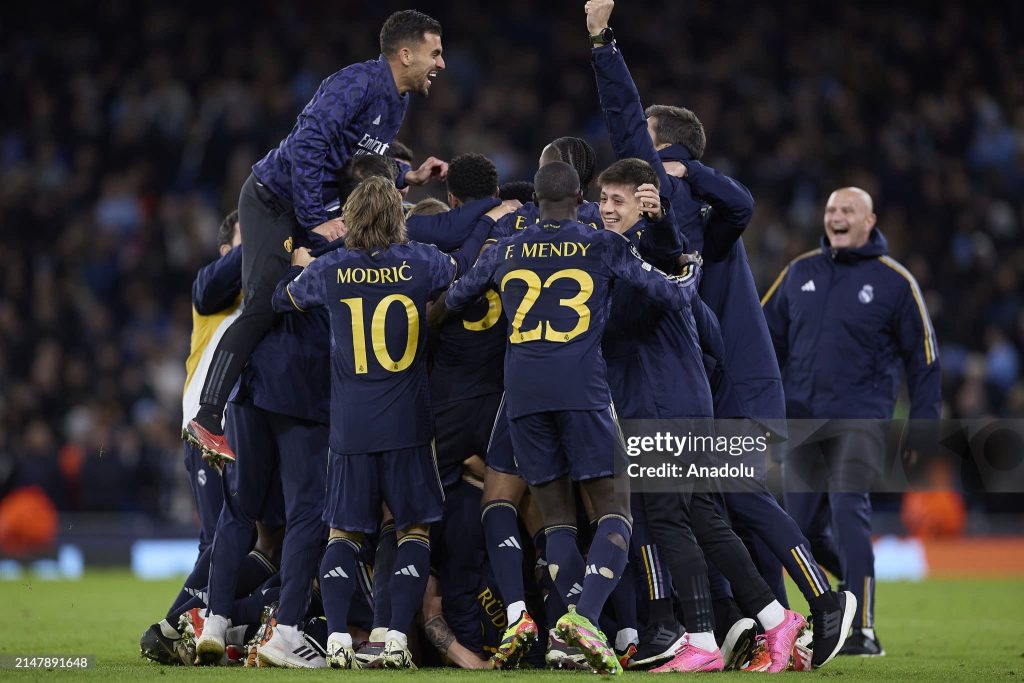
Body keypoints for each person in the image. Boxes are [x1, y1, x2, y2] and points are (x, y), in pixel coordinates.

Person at [585, 0, 856, 670]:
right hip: (710, 374)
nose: (633, 156)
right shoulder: (685, 218)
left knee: (726, 498)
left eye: (647, 148)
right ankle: (739, 624)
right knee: (705, 506)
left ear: (663, 150)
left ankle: (818, 600)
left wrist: (602, 43)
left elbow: (635, 130)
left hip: (726, 379)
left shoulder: (675, 203)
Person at [446, 161, 701, 676]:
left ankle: (574, 615)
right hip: (582, 389)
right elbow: (672, 294)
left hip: (523, 395)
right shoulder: (600, 244)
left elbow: (456, 296)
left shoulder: (504, 249)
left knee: (556, 516)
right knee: (615, 511)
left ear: (535, 200)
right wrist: (691, 269)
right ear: (580, 197)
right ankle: (585, 617)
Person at [185, 10, 450, 465]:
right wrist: (317, 218)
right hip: (273, 201)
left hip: (308, 206)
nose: (441, 63)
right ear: (405, 53)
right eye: (435, 52)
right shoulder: (357, 83)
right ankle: (207, 416)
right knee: (266, 300)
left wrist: (409, 176)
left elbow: (358, 163)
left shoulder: (397, 101)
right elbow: (308, 144)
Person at [272, 175, 460, 670]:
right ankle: (395, 640)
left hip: (350, 428)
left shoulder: (332, 269)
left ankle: (337, 640)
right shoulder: (422, 261)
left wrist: (297, 264)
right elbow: (458, 273)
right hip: (408, 425)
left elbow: (282, 299)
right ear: (397, 218)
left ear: (351, 220)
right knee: (413, 532)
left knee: (343, 536)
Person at [762, 186, 941, 657]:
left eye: (848, 211)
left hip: (860, 420)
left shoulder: (895, 282)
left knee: (847, 509)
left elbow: (924, 361)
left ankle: (862, 630)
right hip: (800, 423)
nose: (837, 217)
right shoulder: (799, 272)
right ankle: (829, 610)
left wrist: (923, 428)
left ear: (869, 221)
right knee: (797, 529)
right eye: (831, 210)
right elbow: (761, 340)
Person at [139, 211, 241, 665]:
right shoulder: (214, 292)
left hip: (244, 427)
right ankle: (175, 623)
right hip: (207, 429)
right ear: (226, 250)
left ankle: (201, 624)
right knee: (221, 533)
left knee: (228, 535)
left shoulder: (265, 293)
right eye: (249, 236)